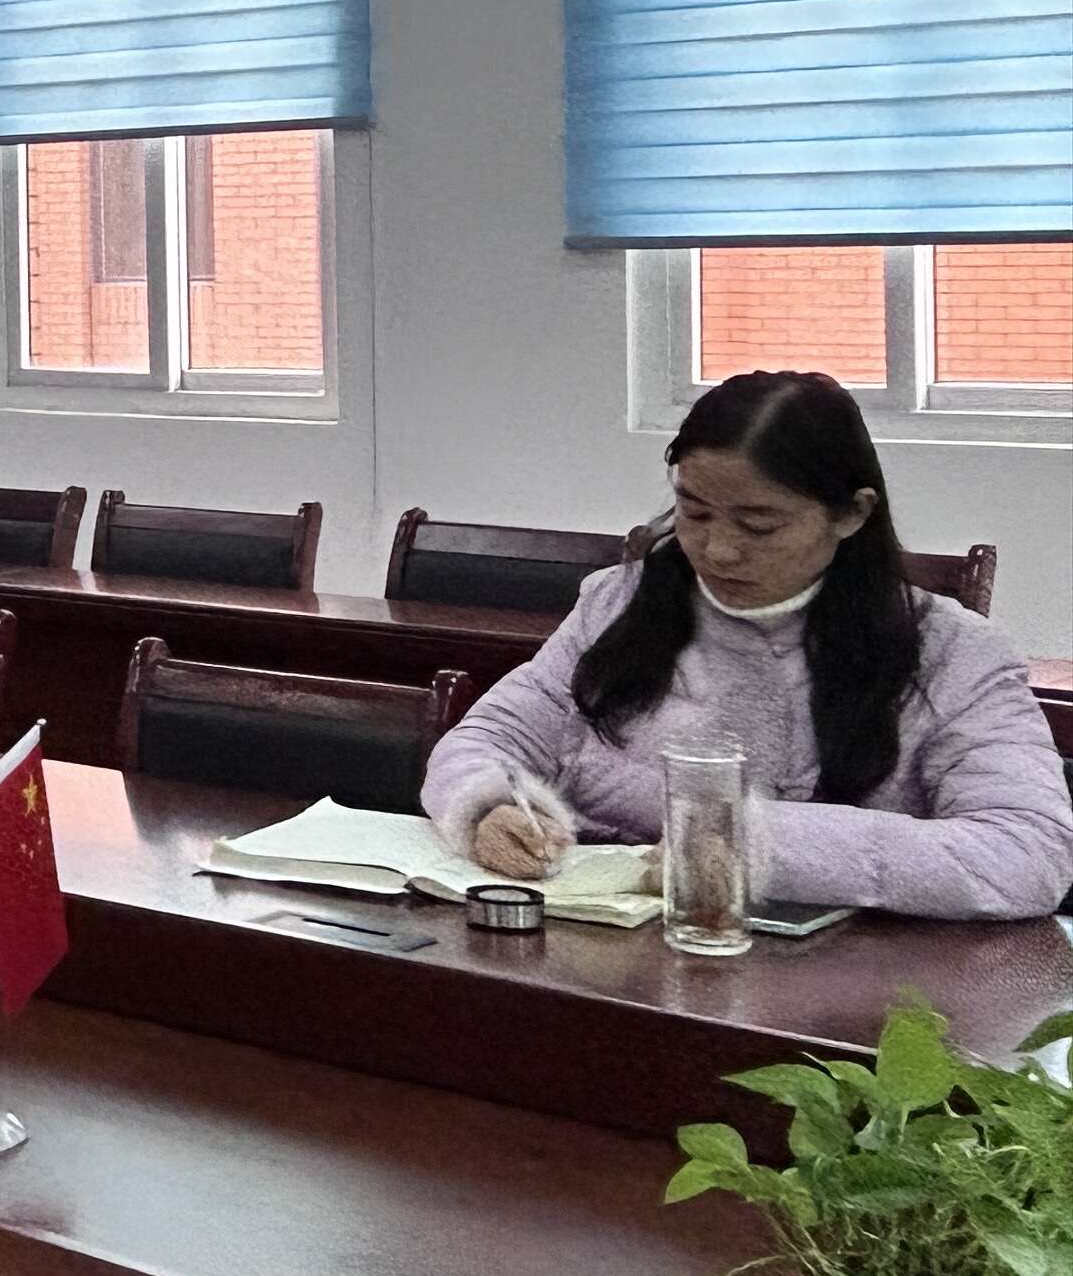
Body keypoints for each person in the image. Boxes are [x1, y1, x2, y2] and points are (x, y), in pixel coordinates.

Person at [427, 370, 1073, 920]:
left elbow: (1027, 854)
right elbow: (490, 737)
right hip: (607, 951)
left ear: (852, 514)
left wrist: (755, 844)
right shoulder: (617, 605)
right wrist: (490, 805)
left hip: (845, 992)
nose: (718, 550)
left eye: (759, 525)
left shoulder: (953, 653)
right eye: (695, 513)